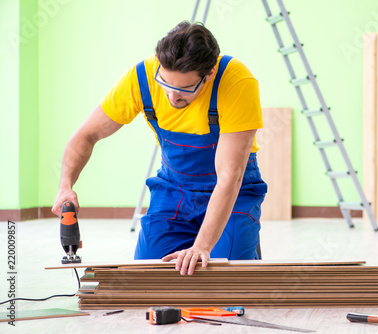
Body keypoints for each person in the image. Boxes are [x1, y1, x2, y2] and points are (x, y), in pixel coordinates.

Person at [52, 21, 267, 275]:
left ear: (208, 74)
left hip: (234, 191)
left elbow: (230, 176)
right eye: (166, 84)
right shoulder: (142, 76)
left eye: (184, 89)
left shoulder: (235, 81)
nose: (172, 97)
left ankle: (243, 239)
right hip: (174, 190)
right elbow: (87, 134)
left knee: (222, 276)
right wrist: (65, 186)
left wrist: (201, 247)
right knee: (149, 275)